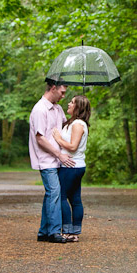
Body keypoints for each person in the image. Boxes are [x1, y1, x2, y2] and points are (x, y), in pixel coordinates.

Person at [29, 80, 74, 244]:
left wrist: (80, 117)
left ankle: (44, 232)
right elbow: (40, 139)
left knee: (52, 194)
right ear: (53, 88)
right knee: (54, 192)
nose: (64, 96)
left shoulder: (58, 108)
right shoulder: (40, 109)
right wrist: (59, 154)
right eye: (62, 92)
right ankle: (54, 232)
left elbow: (65, 127)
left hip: (57, 160)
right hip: (46, 159)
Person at [52, 95, 90, 243]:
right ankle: (74, 232)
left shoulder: (78, 124)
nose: (69, 103)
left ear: (78, 107)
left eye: (72, 102)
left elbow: (73, 147)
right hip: (73, 166)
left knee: (61, 197)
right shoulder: (73, 123)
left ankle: (68, 232)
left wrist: (58, 139)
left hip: (71, 166)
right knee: (74, 199)